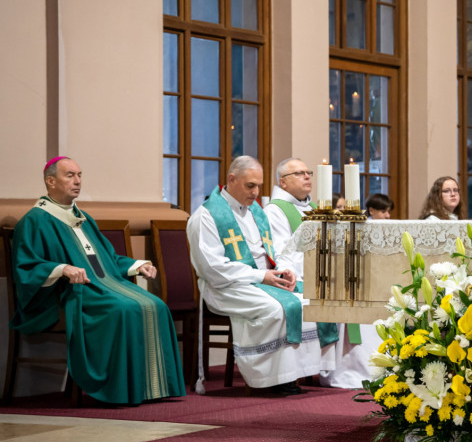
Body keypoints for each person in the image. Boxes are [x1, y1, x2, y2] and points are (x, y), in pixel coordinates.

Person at [11, 157, 186, 405]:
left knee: (156, 305)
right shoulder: (35, 220)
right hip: (69, 295)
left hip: (103, 288)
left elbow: (106, 259)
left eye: (80, 175)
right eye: (70, 175)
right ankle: (122, 389)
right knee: (122, 308)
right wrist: (62, 269)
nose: (77, 181)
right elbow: (26, 266)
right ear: (50, 181)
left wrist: (138, 265)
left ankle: (151, 387)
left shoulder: (83, 218)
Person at [187, 156, 335, 393]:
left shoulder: (256, 212)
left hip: (261, 281)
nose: (256, 193)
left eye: (258, 186)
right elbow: (212, 268)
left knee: (308, 301)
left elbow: (273, 252)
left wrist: (283, 271)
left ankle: (291, 375)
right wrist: (261, 276)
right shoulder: (206, 216)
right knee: (275, 309)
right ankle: (267, 380)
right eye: (250, 186)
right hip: (225, 286)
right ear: (231, 179)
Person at [264, 157, 376, 389]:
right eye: (299, 173)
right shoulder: (275, 211)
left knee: (366, 289)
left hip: (325, 272)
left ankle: (369, 367)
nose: (307, 176)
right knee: (343, 294)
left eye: (309, 172)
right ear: (282, 182)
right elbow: (281, 254)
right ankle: (344, 369)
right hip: (299, 276)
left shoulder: (315, 208)